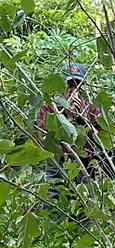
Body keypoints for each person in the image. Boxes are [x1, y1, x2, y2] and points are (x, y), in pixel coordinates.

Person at [36, 62, 102, 201]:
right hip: (58, 163)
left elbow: (102, 140)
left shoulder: (91, 109)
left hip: (84, 163)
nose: (73, 90)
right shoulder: (49, 108)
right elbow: (44, 142)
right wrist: (68, 120)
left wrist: (84, 120)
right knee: (54, 203)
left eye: (77, 85)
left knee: (85, 204)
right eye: (69, 85)